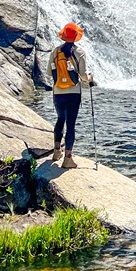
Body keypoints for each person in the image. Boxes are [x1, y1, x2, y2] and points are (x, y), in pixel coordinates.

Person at [47, 22, 93, 169]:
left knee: (60, 119)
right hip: (73, 93)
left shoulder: (55, 51)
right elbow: (84, 76)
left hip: (58, 92)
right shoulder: (79, 52)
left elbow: (49, 72)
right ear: (76, 36)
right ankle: (68, 159)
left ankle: (56, 152)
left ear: (63, 36)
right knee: (71, 124)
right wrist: (90, 79)